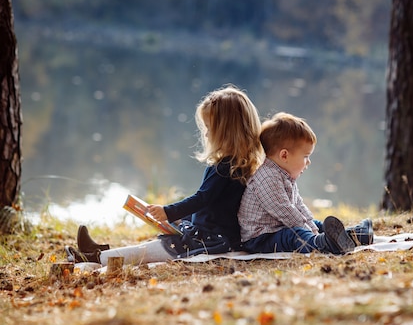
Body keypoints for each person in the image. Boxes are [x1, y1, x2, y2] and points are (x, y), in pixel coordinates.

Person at [65, 84, 264, 265]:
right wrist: (177, 218)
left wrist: (168, 211)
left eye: (210, 128)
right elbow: (213, 206)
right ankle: (99, 253)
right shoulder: (240, 165)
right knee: (163, 240)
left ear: (226, 131)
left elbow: (202, 199)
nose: (205, 134)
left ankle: (93, 257)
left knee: (152, 250)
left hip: (210, 240)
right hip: (215, 234)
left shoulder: (224, 168)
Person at [238, 112, 373, 255]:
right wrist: (311, 232)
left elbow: (298, 205)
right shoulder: (266, 178)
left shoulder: (284, 175)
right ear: (284, 155)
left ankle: (355, 235)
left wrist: (311, 225)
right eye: (305, 156)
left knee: (315, 223)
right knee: (294, 235)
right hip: (260, 238)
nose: (308, 162)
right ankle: (321, 244)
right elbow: (286, 212)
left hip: (277, 227)